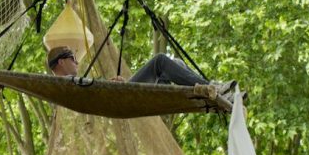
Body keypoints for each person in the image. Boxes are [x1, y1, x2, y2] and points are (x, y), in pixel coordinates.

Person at [47, 46, 243, 101]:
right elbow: (92, 93)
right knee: (160, 61)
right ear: (62, 61)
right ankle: (212, 88)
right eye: (73, 57)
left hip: (118, 95)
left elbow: (92, 91)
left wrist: (110, 83)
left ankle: (214, 94)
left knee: (176, 64)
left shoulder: (71, 83)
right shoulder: (65, 83)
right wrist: (109, 86)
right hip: (121, 100)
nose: (77, 61)